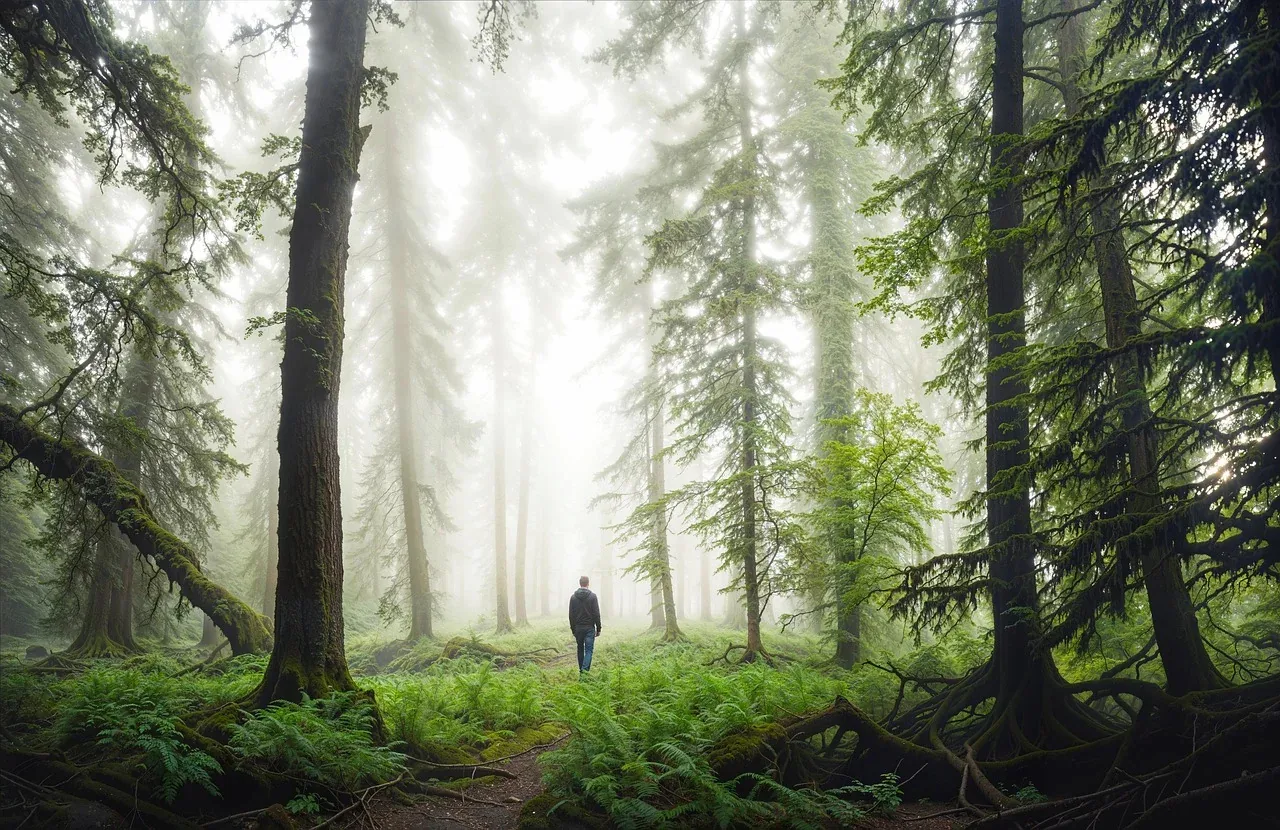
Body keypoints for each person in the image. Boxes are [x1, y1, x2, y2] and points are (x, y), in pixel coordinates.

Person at [568, 575, 602, 673]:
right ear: (588, 583)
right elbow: (596, 613)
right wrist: (598, 628)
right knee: (588, 651)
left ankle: (581, 671)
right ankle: (584, 672)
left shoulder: (573, 597)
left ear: (580, 583)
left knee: (580, 649)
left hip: (578, 628)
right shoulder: (593, 596)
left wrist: (573, 629)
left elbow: (571, 615)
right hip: (589, 628)